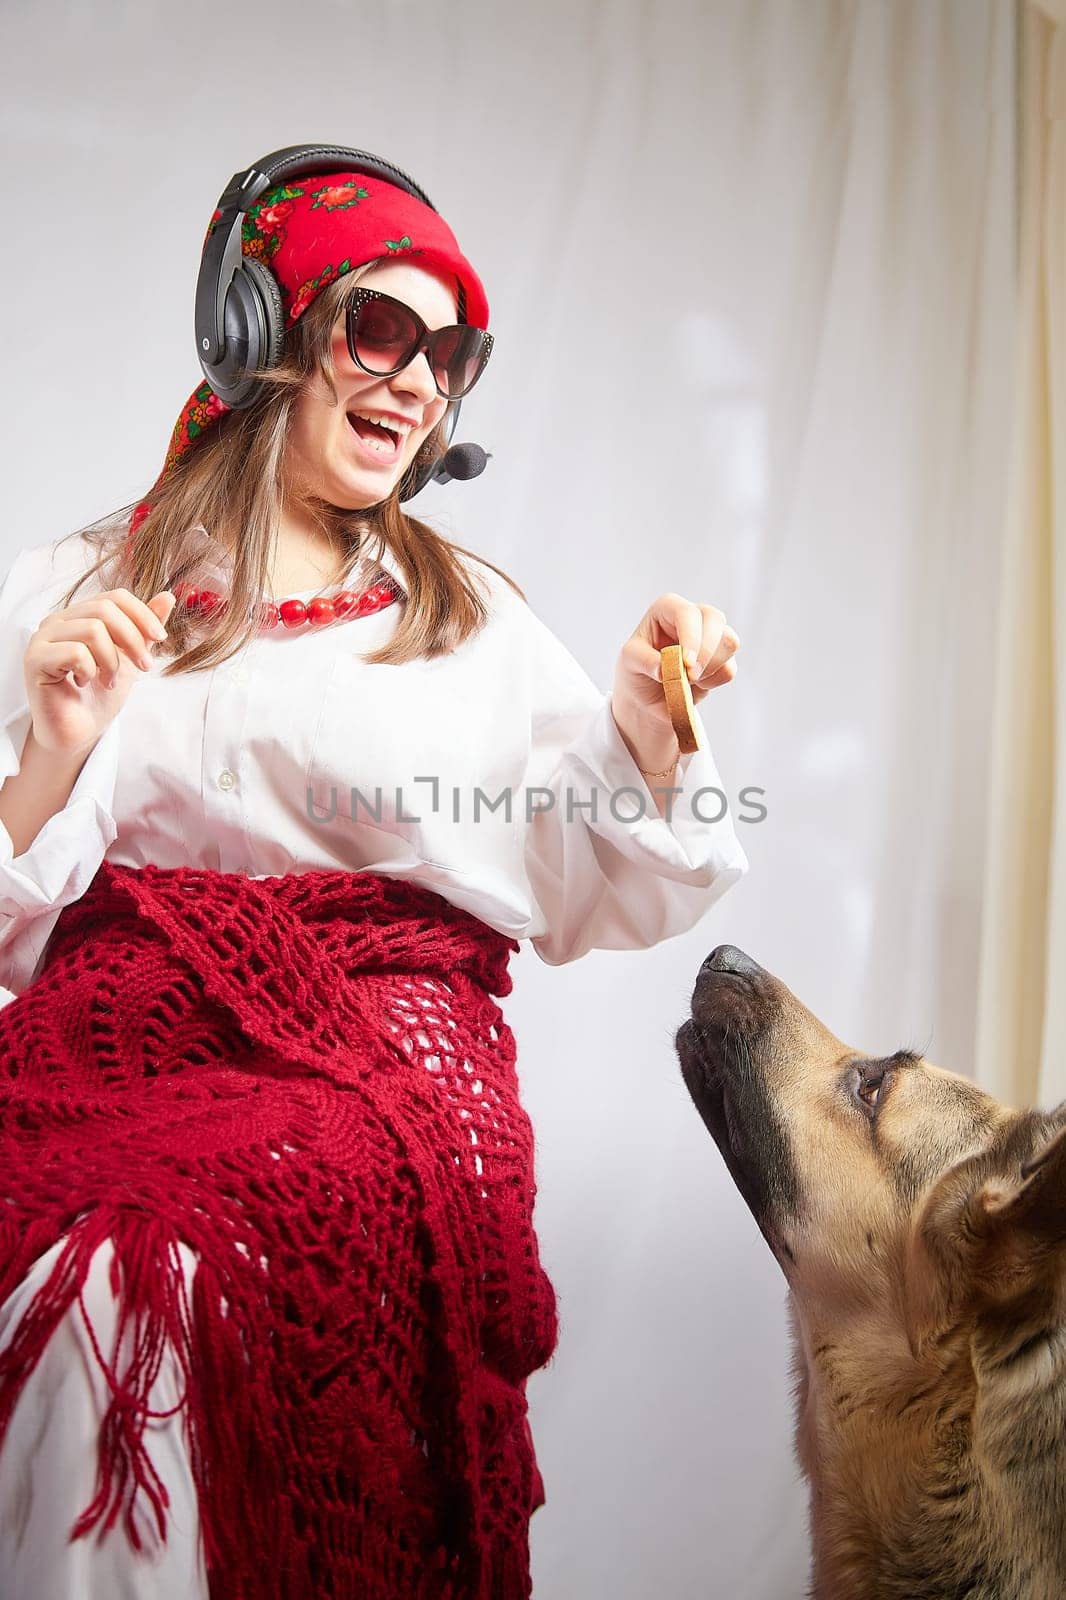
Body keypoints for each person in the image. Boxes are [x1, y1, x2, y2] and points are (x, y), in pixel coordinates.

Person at [0, 153, 748, 1600]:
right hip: (112, 1048)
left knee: (131, 1291)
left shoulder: (465, 621)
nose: (415, 384)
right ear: (256, 333)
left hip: (371, 1066)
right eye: (376, 330)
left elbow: (599, 881)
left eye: (445, 355)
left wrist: (646, 732)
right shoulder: (83, 592)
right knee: (58, 1260)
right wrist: (54, 752)